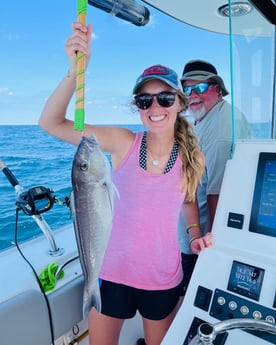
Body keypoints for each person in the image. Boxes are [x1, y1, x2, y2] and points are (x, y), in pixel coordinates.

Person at [39, 22, 212, 345]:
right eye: (145, 101)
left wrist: (195, 234)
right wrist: (75, 71)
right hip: (110, 275)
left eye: (164, 97)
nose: (155, 107)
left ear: (179, 102)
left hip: (162, 279)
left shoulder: (193, 156)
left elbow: (187, 199)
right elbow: (51, 123)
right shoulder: (123, 142)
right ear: (138, 108)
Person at [178, 60, 253, 296]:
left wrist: (210, 250)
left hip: (199, 242)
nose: (193, 95)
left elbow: (218, 192)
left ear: (217, 89)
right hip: (193, 235)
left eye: (199, 87)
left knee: (191, 297)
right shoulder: (206, 117)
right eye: (187, 89)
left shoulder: (221, 126)